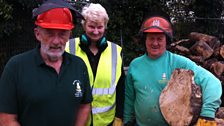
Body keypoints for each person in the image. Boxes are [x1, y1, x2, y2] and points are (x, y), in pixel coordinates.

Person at [0, 1, 92, 126]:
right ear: (37, 34)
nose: (56, 41)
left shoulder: (78, 66)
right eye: (49, 33)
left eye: (62, 34)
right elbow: (6, 119)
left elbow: (84, 106)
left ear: (70, 35)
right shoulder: (16, 67)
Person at [123, 15, 222, 126]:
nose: (155, 43)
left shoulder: (179, 63)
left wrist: (207, 114)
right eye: (151, 38)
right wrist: (127, 121)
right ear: (145, 40)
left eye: (159, 39)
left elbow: (212, 82)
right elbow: (129, 99)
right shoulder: (135, 65)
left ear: (167, 40)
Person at [65, 3, 125, 126]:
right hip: (77, 121)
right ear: (84, 25)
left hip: (106, 121)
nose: (96, 31)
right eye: (91, 26)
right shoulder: (68, 47)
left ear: (105, 27)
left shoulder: (115, 51)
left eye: (100, 27)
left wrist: (119, 116)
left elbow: (120, 88)